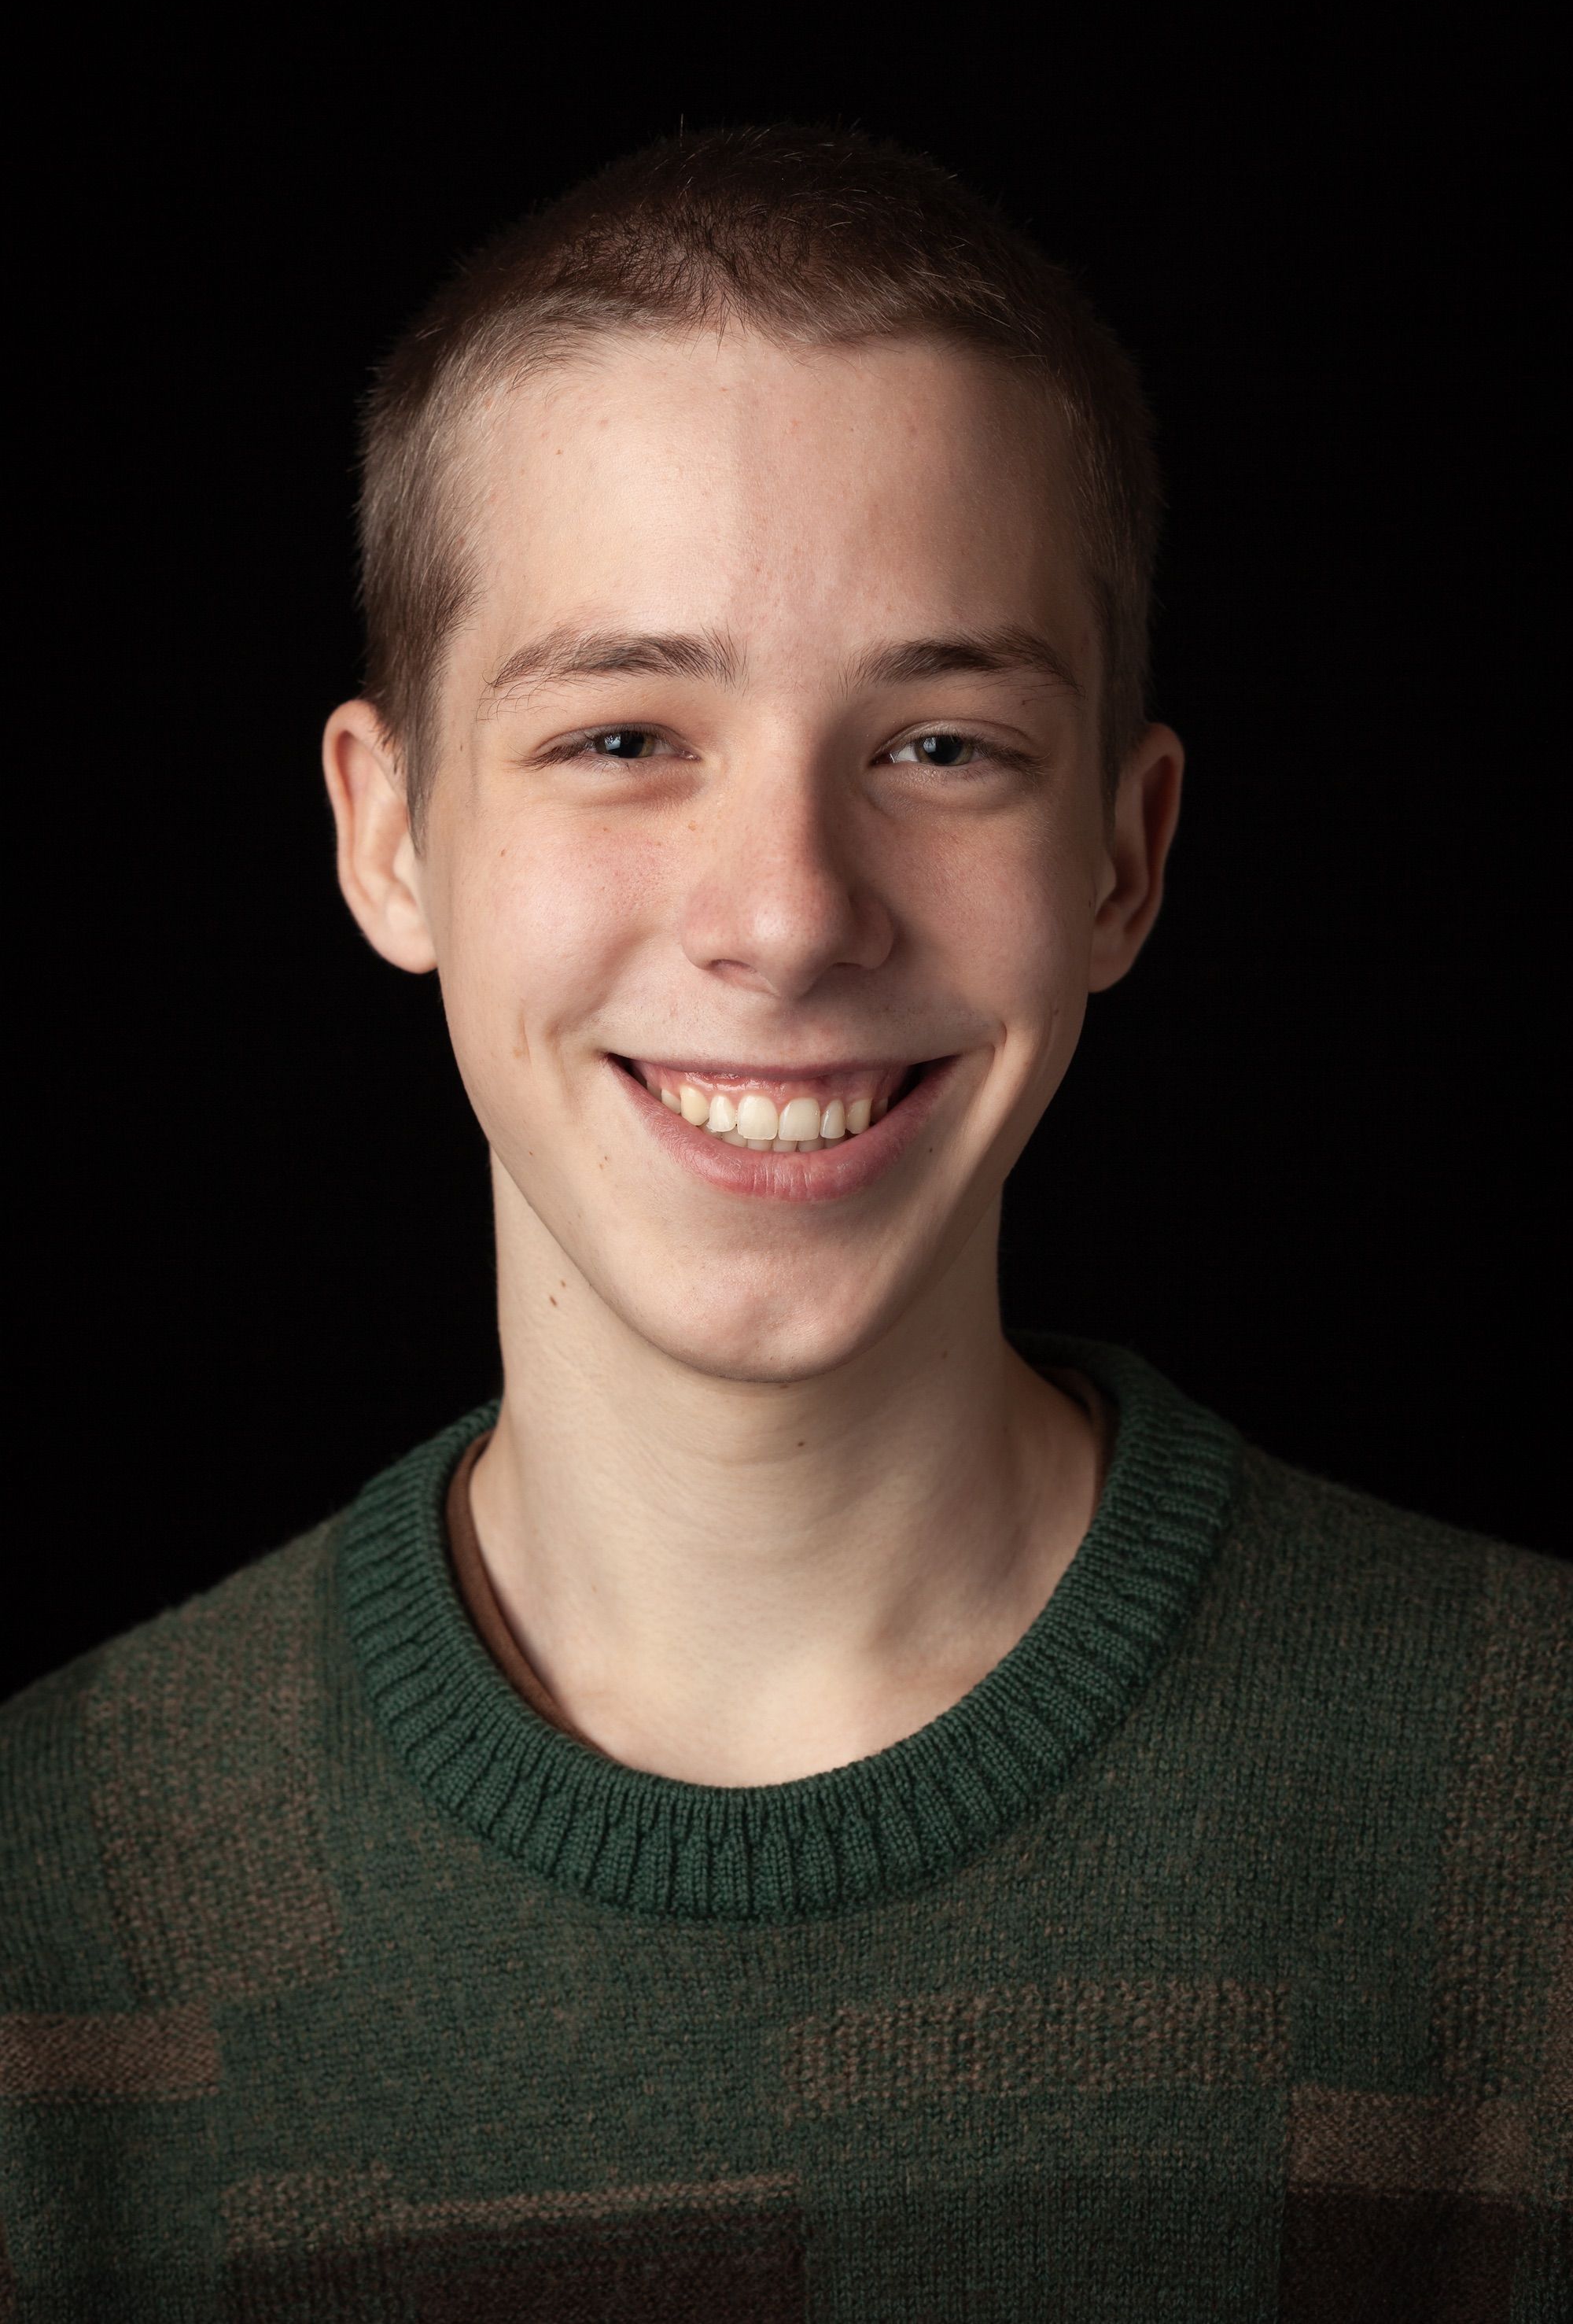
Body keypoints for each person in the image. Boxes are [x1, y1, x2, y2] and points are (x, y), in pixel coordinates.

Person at [2, 124, 1567, 2320]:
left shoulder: (1533, 1813)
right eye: (627, 734)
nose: (787, 919)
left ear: (1126, 855)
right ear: (390, 838)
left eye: (938, 747)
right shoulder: (50, 1902)